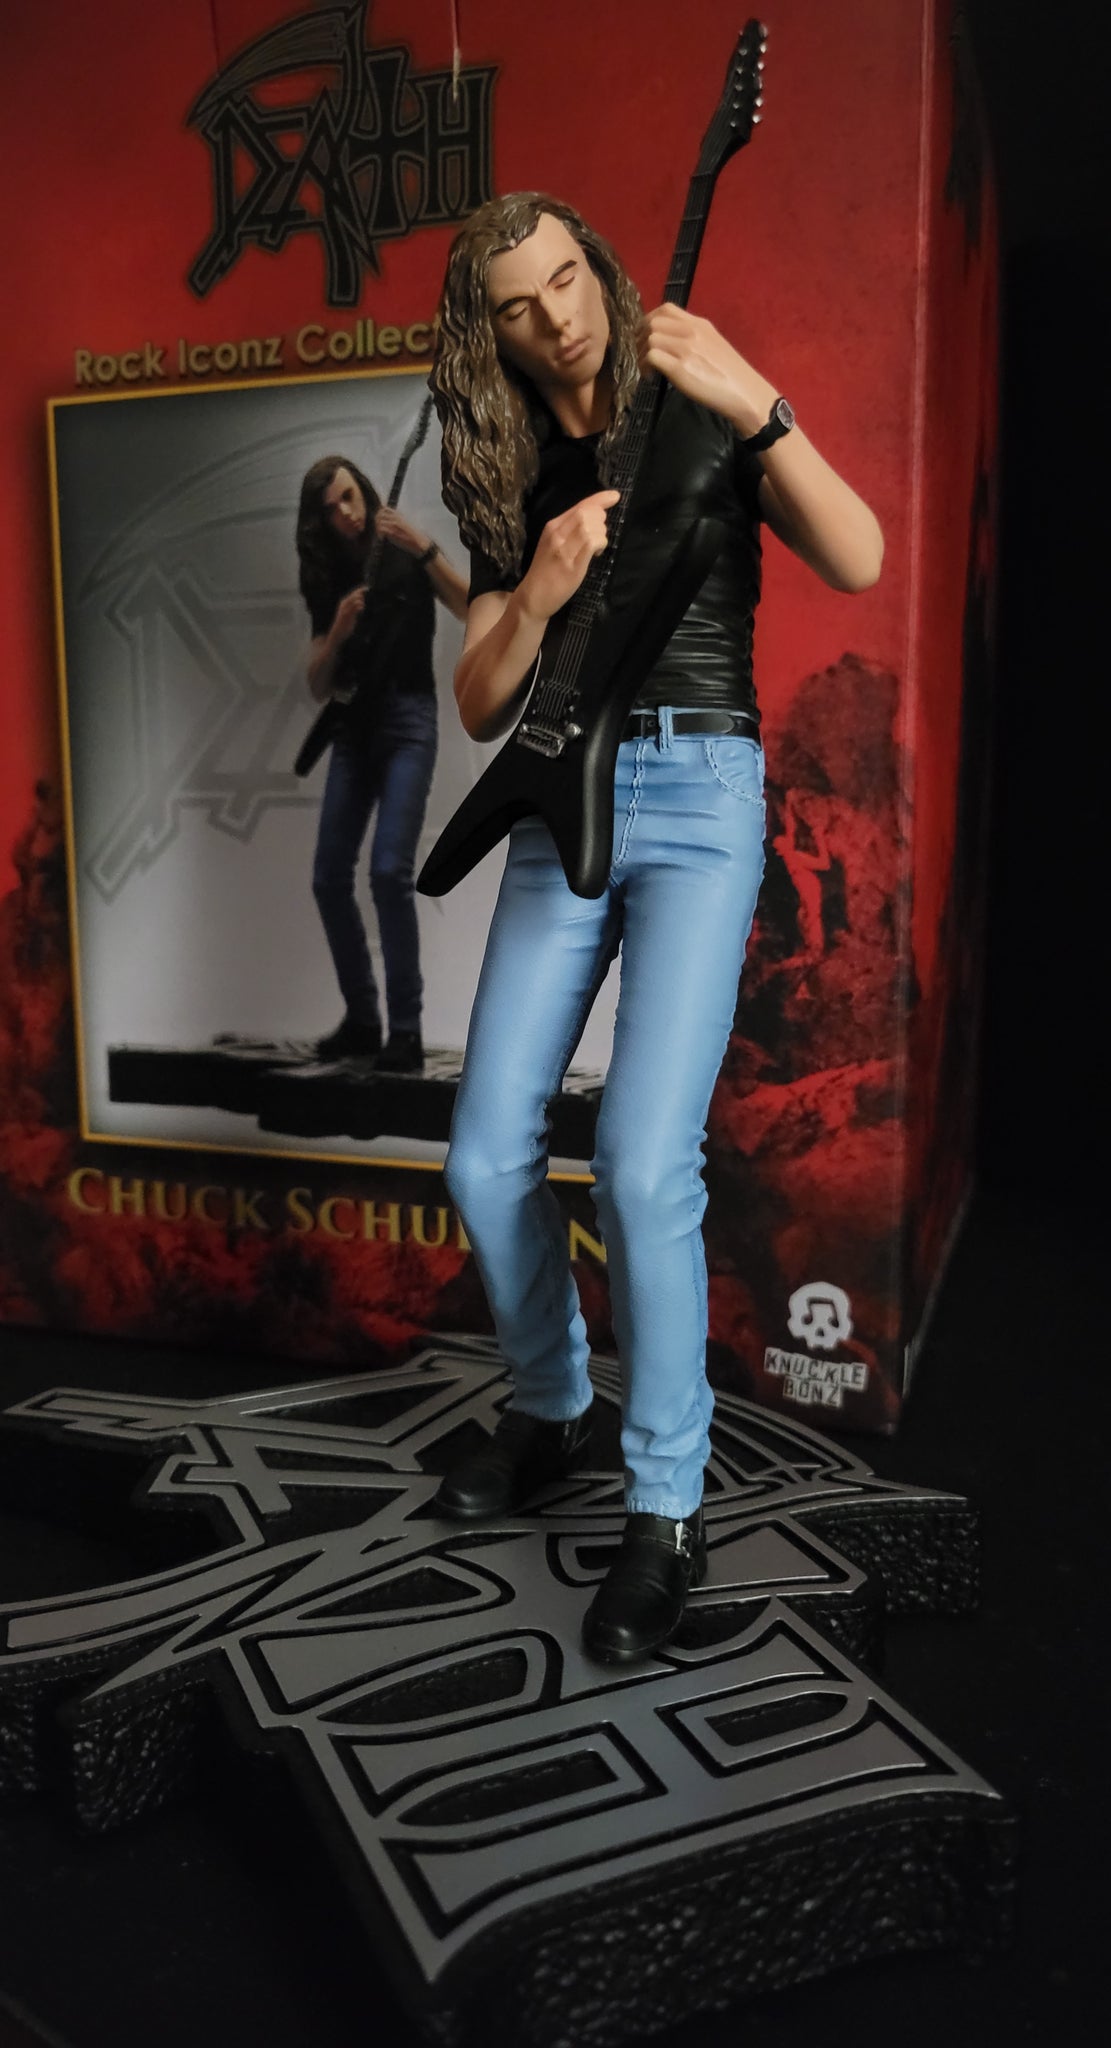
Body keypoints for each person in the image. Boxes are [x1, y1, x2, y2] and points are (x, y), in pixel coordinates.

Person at [427, 193, 883, 1659]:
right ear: (491, 330)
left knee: (638, 1162)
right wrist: (542, 587)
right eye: (519, 302)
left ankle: (667, 1508)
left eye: (567, 278)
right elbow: (478, 701)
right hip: (563, 793)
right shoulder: (507, 465)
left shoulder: (696, 389)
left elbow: (859, 555)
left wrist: (758, 401)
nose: (555, 316)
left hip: (699, 791)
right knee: (484, 1149)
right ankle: (551, 1405)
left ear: (601, 273)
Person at [296, 453, 469, 1071]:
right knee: (327, 877)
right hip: (353, 729)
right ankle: (364, 1020)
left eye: (349, 497)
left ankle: (406, 1031)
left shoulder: (400, 546)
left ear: (364, 490)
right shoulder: (325, 572)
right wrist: (339, 630)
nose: (345, 514)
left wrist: (424, 548)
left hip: (407, 721)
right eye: (331, 510)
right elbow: (317, 684)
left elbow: (470, 606)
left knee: (390, 872)